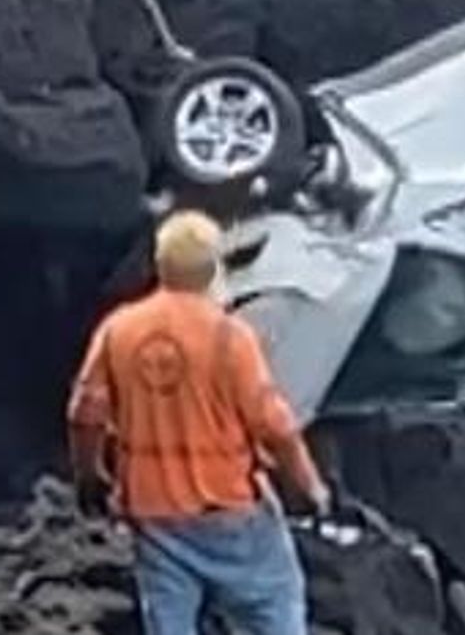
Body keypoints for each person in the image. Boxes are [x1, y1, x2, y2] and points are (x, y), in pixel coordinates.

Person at [66, 209, 331, 635]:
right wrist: (309, 487)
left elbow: (84, 414)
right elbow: (274, 425)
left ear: (159, 265)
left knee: (169, 621)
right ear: (214, 269)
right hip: (228, 511)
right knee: (274, 601)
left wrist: (90, 476)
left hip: (154, 515)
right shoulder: (230, 337)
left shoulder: (119, 330)